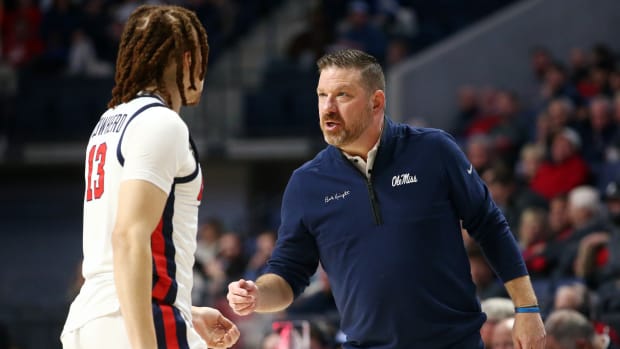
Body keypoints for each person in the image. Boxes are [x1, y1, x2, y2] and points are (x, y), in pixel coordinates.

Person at [226, 48, 545, 348]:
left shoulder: (433, 151)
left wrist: (527, 308)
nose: (328, 107)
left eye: (342, 95)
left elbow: (490, 225)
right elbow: (288, 275)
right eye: (322, 95)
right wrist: (257, 294)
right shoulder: (306, 184)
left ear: (376, 102)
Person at [60, 5, 240, 349]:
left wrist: (186, 309)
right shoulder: (161, 122)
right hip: (138, 317)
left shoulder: (108, 122)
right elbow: (128, 236)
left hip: (93, 319)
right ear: (188, 60)